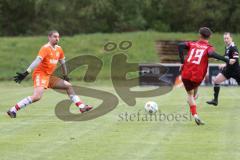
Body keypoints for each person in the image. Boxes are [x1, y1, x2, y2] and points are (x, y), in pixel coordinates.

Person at [7, 30, 93, 118]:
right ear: (49, 37)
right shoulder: (45, 48)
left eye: (58, 37)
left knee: (68, 85)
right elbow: (37, 60)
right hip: (40, 75)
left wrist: (65, 76)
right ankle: (13, 110)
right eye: (55, 37)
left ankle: (81, 107)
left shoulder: (59, 49)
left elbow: (63, 63)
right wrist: (26, 72)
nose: (57, 39)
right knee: (37, 97)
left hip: (49, 76)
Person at [178, 27, 236, 125]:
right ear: (210, 36)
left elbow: (180, 46)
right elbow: (213, 54)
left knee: (190, 95)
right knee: (194, 90)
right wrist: (227, 60)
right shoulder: (208, 47)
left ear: (200, 35)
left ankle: (195, 114)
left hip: (185, 73)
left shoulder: (192, 44)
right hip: (198, 75)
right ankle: (194, 97)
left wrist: (182, 62)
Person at [207, 32, 240, 106]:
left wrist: (224, 64)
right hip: (228, 70)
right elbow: (226, 56)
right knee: (216, 81)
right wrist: (218, 59)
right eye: (224, 38)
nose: (226, 40)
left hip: (236, 71)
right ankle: (215, 100)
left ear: (231, 38)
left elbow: (234, 60)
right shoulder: (227, 47)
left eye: (227, 38)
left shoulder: (234, 48)